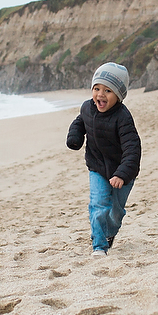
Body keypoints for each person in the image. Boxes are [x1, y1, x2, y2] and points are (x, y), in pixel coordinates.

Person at [66, 62, 142, 257]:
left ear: (119, 95)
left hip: (123, 172)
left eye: (108, 90)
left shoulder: (123, 117)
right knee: (98, 205)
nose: (100, 94)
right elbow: (80, 122)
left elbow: (133, 149)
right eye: (97, 88)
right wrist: (75, 138)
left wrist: (122, 174)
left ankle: (109, 234)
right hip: (97, 167)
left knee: (116, 213)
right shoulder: (87, 108)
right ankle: (99, 246)